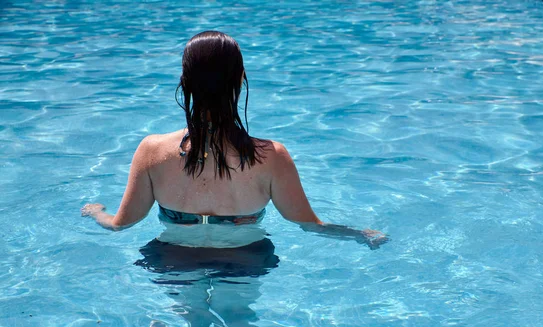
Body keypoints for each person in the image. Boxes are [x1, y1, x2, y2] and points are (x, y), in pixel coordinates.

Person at [81, 31, 387, 250]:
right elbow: (309, 225)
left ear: (185, 83)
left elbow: (121, 224)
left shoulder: (152, 151)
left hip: (173, 259)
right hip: (245, 261)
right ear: (240, 79)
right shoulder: (271, 156)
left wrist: (96, 212)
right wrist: (360, 234)